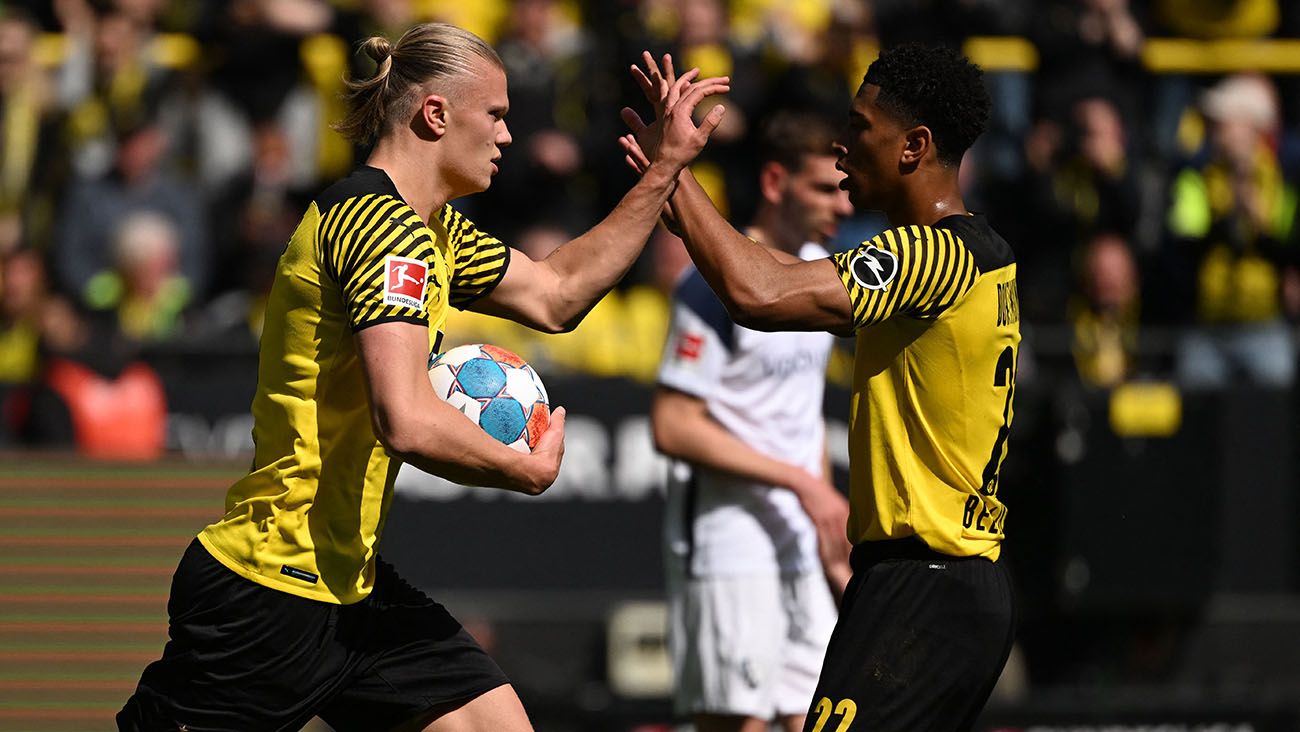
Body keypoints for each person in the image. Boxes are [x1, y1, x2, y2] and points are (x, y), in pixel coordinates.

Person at [118, 22, 728, 732]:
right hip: (267, 592)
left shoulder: (432, 228)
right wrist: (520, 468)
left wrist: (662, 172)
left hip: (350, 585)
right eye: (496, 115)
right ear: (435, 114)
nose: (508, 135)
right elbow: (403, 417)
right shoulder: (380, 227)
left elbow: (556, 294)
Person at [621, 44, 1018, 731]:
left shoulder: (931, 256)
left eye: (861, 128)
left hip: (920, 587)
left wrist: (673, 169)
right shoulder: (982, 257)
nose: (842, 145)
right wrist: (676, 185)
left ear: (914, 146)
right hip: (949, 583)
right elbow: (772, 273)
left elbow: (758, 293)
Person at [651, 110, 853, 732]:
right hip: (728, 536)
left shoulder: (822, 273)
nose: (842, 206)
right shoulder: (713, 284)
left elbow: (802, 411)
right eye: (824, 187)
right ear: (774, 183)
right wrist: (804, 484)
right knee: (739, 724)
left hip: (798, 536)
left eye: (845, 187)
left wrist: (826, 519)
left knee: (815, 717)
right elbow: (673, 425)